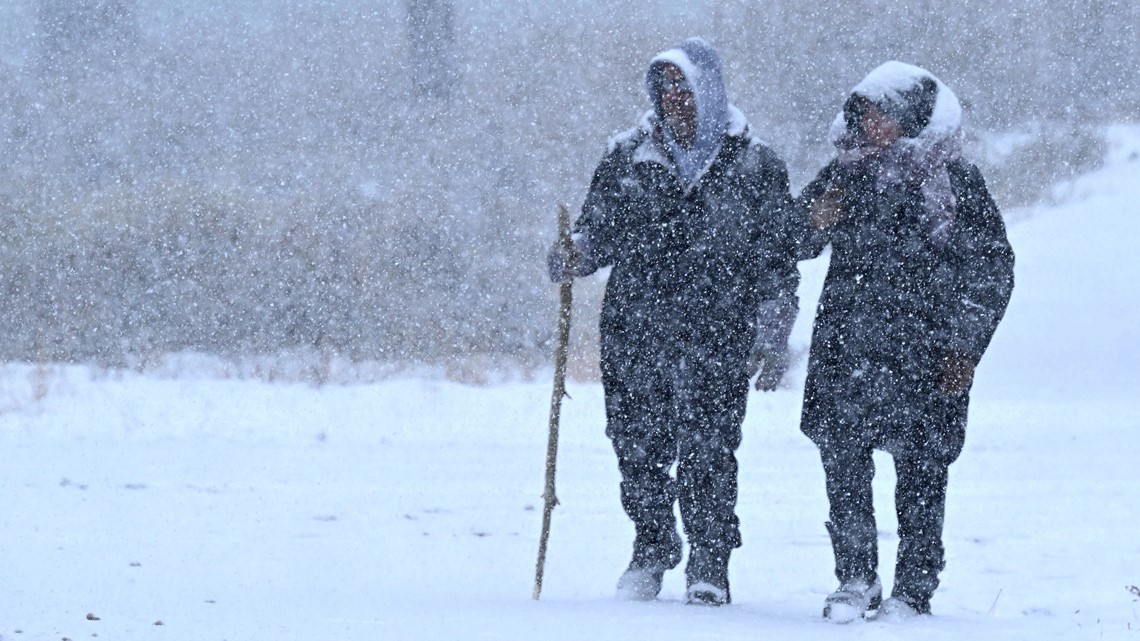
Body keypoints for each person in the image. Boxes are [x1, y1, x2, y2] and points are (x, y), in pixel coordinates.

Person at [546, 37, 801, 606]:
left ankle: (710, 562)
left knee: (709, 449)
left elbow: (777, 257)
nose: (675, 100)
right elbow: (597, 233)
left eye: (685, 88)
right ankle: (653, 544)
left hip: (720, 332)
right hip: (636, 330)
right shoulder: (628, 158)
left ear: (708, 90)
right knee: (636, 446)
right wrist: (575, 255)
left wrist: (772, 330)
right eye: (664, 90)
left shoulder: (756, 165)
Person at [796, 61, 1015, 622]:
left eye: (885, 114)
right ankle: (855, 580)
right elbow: (792, 241)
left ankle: (913, 591)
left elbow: (991, 269)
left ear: (913, 115)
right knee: (843, 464)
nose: (874, 127)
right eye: (866, 114)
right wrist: (813, 220)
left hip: (927, 354)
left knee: (921, 471)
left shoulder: (955, 180)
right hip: (848, 349)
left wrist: (966, 346)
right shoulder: (843, 174)